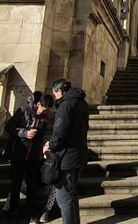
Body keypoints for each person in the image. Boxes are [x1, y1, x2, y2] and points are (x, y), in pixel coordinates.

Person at [43, 79, 89, 224]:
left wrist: (49, 145)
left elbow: (59, 132)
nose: (55, 97)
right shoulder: (82, 103)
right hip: (79, 154)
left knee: (64, 198)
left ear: (59, 91)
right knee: (72, 195)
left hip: (66, 158)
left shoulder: (66, 105)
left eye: (55, 93)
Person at [4, 91, 53, 223]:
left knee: (32, 185)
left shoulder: (44, 117)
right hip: (18, 154)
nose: (44, 112)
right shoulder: (23, 111)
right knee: (16, 184)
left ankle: (31, 212)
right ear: (38, 104)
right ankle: (13, 211)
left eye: (47, 110)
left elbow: (44, 134)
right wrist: (24, 133)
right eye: (43, 108)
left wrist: (44, 145)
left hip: (33, 156)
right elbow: (9, 126)